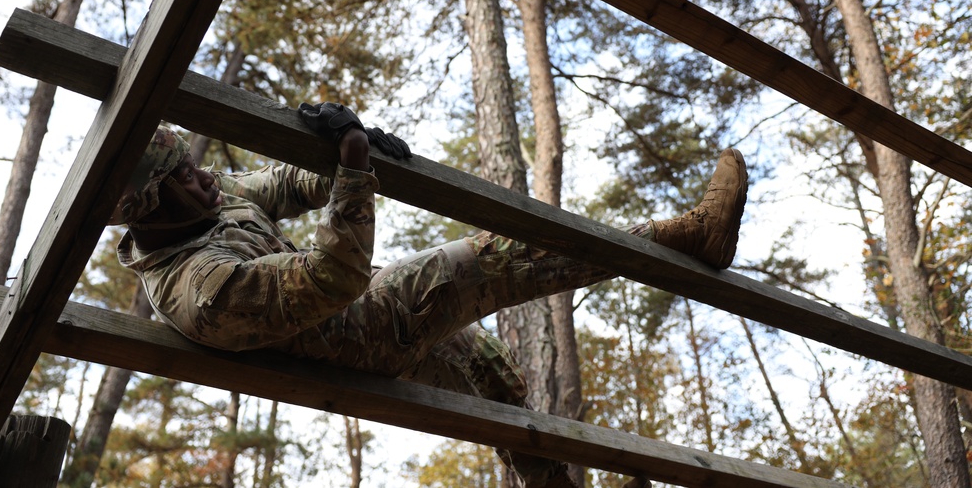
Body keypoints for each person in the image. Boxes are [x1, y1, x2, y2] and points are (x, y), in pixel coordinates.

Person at [110, 103, 748, 488]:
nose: (200, 175)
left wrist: (341, 144)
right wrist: (354, 175)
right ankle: (684, 237)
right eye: (181, 177)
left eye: (190, 165)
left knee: (492, 376)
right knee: (493, 260)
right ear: (148, 210)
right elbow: (334, 278)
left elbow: (277, 185)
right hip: (354, 335)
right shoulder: (199, 288)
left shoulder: (198, 198)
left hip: (363, 316)